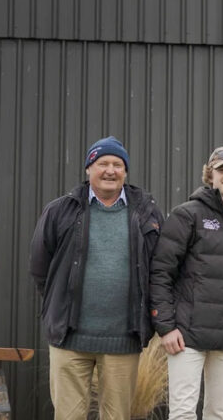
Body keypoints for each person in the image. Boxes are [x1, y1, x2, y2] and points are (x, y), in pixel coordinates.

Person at [30, 136, 164, 420]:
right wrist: (61, 303)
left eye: (117, 164)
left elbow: (158, 266)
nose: (110, 170)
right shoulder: (60, 210)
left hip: (123, 339)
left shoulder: (146, 211)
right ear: (88, 169)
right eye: (102, 163)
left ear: (125, 171)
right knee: (68, 416)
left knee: (117, 416)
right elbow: (41, 267)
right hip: (69, 338)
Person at [150, 146, 223, 420]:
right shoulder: (187, 214)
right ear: (210, 174)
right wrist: (165, 327)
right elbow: (160, 272)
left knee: (220, 413)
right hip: (187, 336)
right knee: (183, 413)